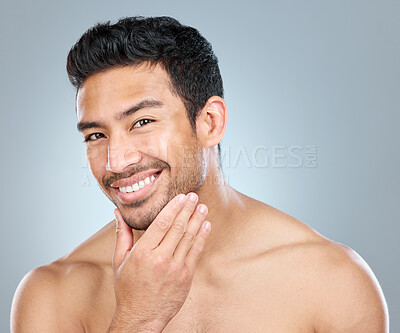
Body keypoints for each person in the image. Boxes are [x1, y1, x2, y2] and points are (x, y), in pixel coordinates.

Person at [11, 16, 389, 332]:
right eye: (96, 135)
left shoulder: (333, 282)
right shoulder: (52, 295)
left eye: (142, 121)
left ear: (210, 121)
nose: (116, 161)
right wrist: (137, 319)